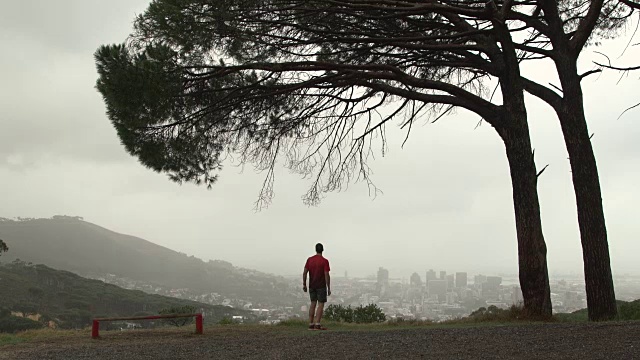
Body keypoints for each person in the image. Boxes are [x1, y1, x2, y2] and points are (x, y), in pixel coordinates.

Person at [303, 243, 331, 330]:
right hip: (321, 285)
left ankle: (311, 324)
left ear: (316, 249)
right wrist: (328, 287)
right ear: (322, 250)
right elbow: (326, 274)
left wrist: (304, 283)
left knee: (313, 303)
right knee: (321, 304)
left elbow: (305, 272)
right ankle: (317, 324)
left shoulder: (309, 260)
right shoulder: (324, 261)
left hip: (312, 285)